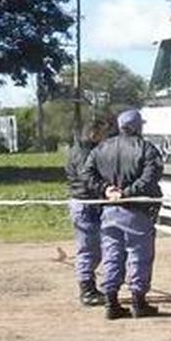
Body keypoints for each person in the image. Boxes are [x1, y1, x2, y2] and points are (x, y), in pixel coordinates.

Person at [87, 108, 164, 320]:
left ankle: (111, 303)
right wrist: (126, 193)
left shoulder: (101, 148)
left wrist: (106, 190)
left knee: (112, 255)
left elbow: (87, 173)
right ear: (138, 127)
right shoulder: (147, 149)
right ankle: (139, 303)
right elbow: (151, 177)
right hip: (137, 210)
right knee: (139, 256)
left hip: (109, 212)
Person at [64, 118, 109, 306]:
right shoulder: (84, 153)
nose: (104, 137)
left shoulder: (83, 150)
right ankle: (87, 291)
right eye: (102, 133)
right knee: (89, 249)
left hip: (87, 203)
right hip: (85, 204)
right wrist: (106, 189)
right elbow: (87, 178)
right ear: (93, 134)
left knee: (94, 249)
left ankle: (90, 287)